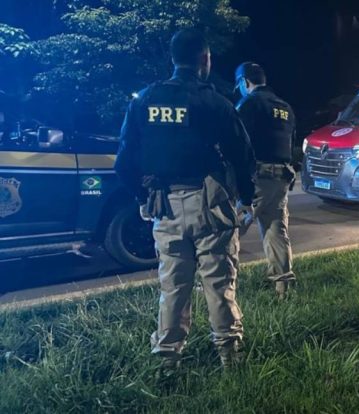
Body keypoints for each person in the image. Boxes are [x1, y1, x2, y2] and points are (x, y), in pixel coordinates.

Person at [115, 29, 256, 375]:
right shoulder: (215, 102)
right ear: (205, 60)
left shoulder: (144, 100)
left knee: (173, 286)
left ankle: (167, 362)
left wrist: (142, 195)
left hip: (165, 207)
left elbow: (122, 162)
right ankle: (230, 360)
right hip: (210, 204)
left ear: (172, 60)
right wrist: (247, 200)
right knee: (220, 285)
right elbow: (244, 156)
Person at [234, 62, 297, 298]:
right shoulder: (285, 107)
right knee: (276, 229)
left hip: (256, 177)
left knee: (230, 229)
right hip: (281, 177)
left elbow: (238, 143)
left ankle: (219, 285)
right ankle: (283, 287)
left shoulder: (248, 104)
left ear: (244, 82)